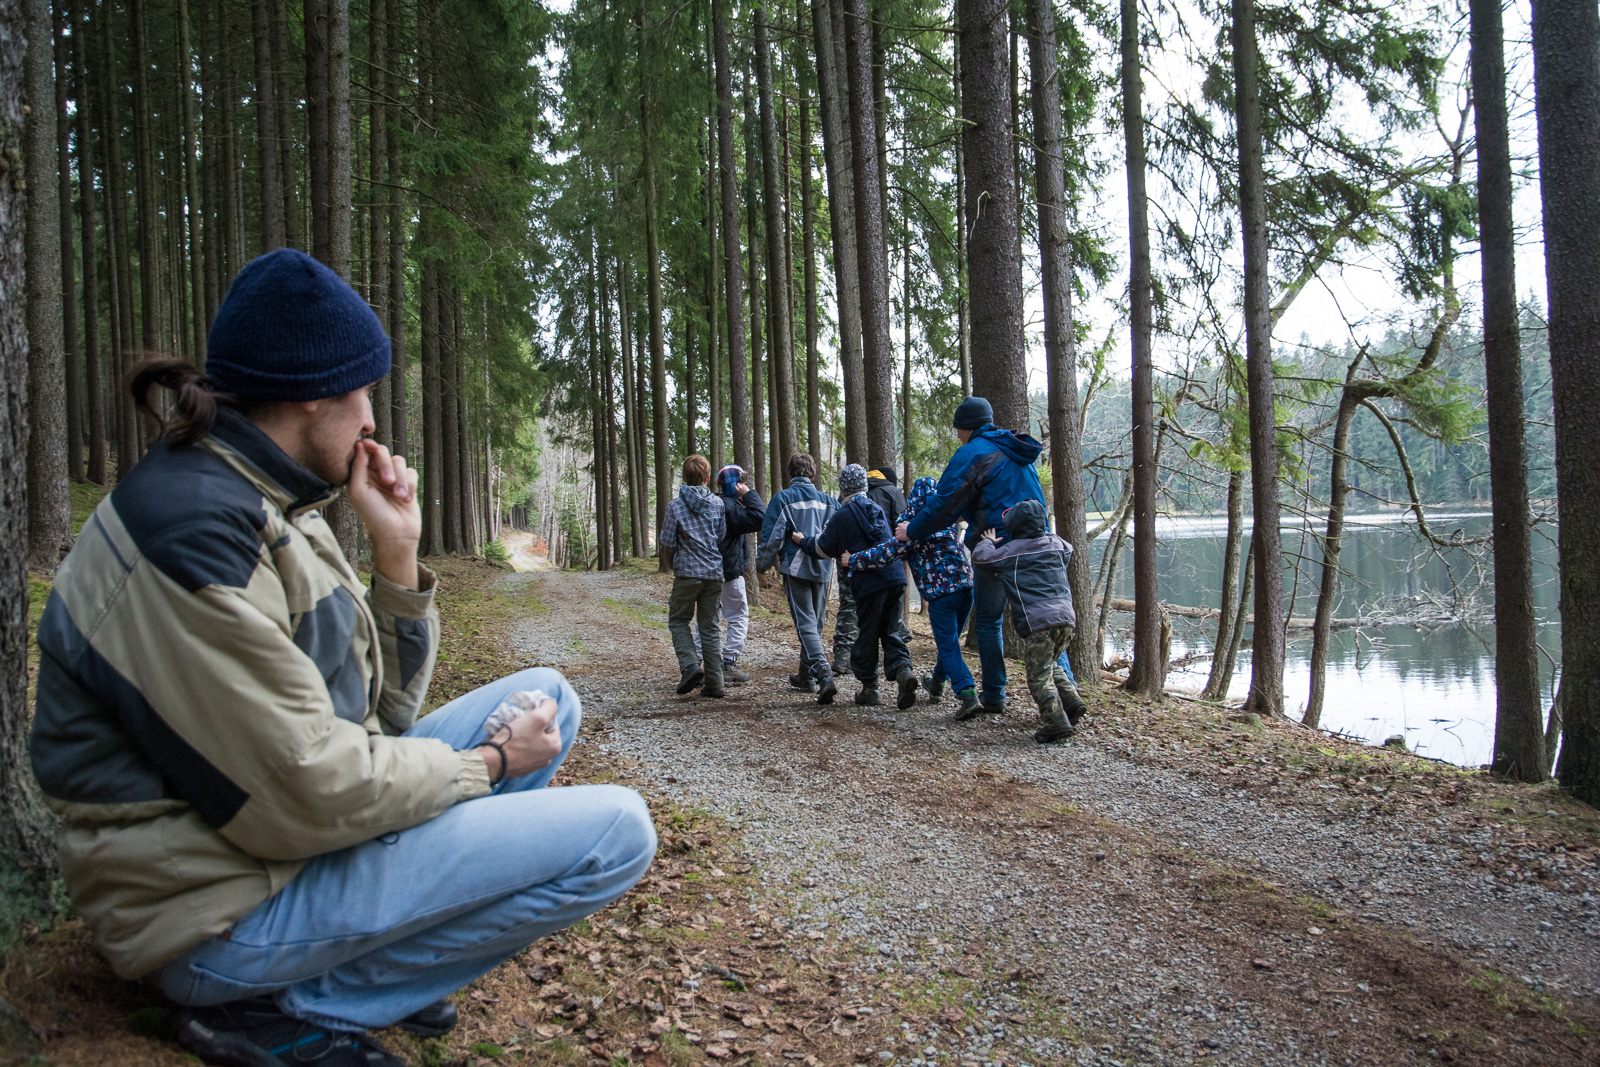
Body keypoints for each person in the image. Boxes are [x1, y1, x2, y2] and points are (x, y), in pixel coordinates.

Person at [27, 249, 656, 1067]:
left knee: (551, 695)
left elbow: (373, 718)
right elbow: (305, 790)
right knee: (619, 832)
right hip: (210, 916)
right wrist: (488, 764)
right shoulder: (197, 538)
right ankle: (284, 1005)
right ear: (311, 391)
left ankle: (358, 956)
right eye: (362, 389)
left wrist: (397, 555)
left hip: (266, 850)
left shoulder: (264, 497)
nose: (370, 418)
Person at [899, 396, 1048, 714]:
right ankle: (1065, 693)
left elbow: (944, 504)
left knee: (989, 621)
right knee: (1043, 619)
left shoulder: (972, 452)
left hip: (995, 545)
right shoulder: (1018, 450)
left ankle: (994, 694)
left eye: (958, 429)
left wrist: (911, 531)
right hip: (1037, 544)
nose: (957, 435)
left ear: (966, 427)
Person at [845, 476, 980, 719]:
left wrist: (852, 559)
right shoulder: (947, 525)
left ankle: (967, 693)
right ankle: (936, 684)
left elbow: (884, 554)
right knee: (950, 643)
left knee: (948, 646)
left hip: (941, 595)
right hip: (967, 590)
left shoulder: (912, 530)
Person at [792, 464, 917, 709]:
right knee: (891, 630)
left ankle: (870, 689)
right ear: (864, 486)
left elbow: (822, 548)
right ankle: (904, 672)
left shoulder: (843, 515)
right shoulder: (876, 508)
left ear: (843, 489)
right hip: (894, 578)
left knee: (867, 635)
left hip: (869, 584)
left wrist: (802, 541)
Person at [970, 500, 1089, 743]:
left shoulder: (1012, 551)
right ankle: (1072, 701)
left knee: (1038, 677)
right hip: (1066, 619)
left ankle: (1056, 723)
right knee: (1050, 664)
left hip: (1039, 623)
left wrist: (988, 541)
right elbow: (1069, 549)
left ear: (1014, 527)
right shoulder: (1057, 545)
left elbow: (982, 558)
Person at [757, 453, 840, 703]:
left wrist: (761, 565)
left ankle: (823, 673)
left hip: (796, 568)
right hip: (824, 568)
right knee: (815, 624)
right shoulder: (830, 502)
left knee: (806, 624)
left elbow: (771, 538)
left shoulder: (782, 499)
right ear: (813, 476)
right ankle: (806, 676)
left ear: (790, 474)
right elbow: (837, 536)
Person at [660, 454, 728, 698]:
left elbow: (666, 542)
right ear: (707, 478)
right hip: (713, 573)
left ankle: (690, 666)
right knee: (709, 627)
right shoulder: (718, 504)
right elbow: (721, 536)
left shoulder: (675, 506)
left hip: (687, 573)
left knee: (679, 620)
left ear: (684, 477)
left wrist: (672, 564)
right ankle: (715, 683)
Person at [693, 465, 765, 685]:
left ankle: (697, 664)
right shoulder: (731, 507)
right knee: (738, 616)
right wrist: (749, 495)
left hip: (706, 571)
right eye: (741, 482)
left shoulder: (711, 502)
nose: (744, 485)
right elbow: (760, 518)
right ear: (736, 485)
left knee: (706, 617)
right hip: (729, 572)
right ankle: (728, 663)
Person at [864, 467, 914, 646]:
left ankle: (860, 654)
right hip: (889, 561)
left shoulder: (856, 492)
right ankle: (897, 649)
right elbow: (903, 525)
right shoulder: (893, 492)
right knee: (891, 610)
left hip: (860, 561)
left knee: (864, 614)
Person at [830, 468, 866, 674]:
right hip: (872, 565)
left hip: (847, 564)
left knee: (848, 608)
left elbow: (829, 540)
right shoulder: (873, 505)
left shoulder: (842, 508)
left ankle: (843, 658)